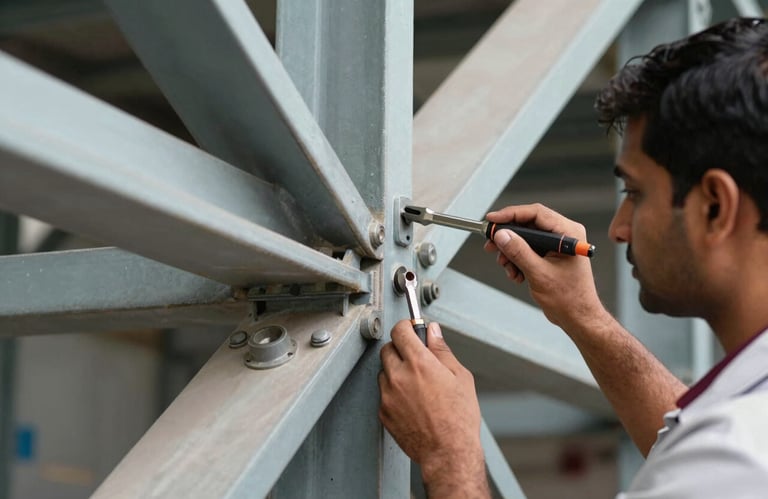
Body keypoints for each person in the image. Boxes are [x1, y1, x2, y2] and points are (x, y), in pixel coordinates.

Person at [378, 17, 768, 498]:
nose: (618, 228)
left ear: (715, 206)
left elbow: (715, 461)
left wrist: (450, 457)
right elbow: (690, 441)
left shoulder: (741, 459)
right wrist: (585, 316)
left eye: (636, 192)